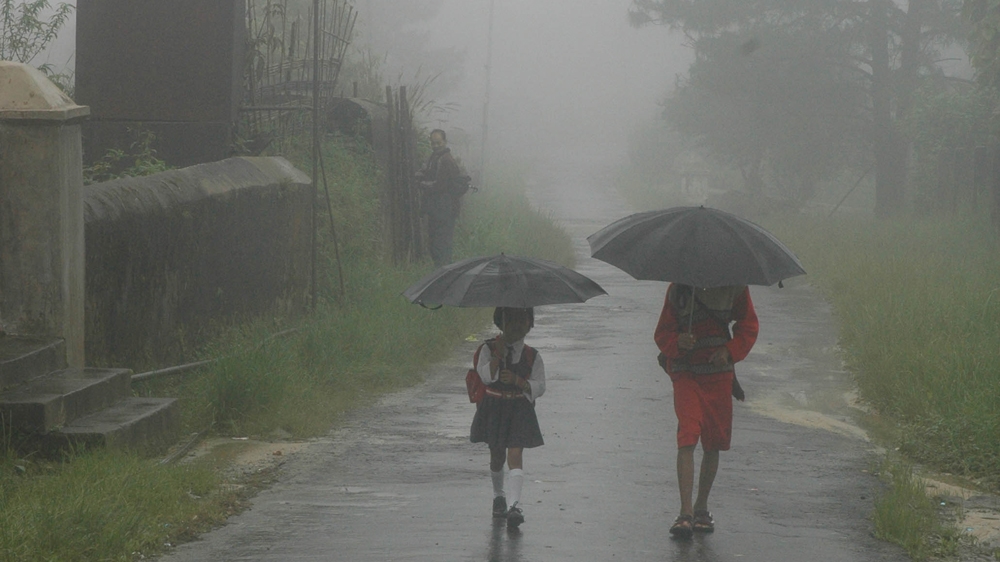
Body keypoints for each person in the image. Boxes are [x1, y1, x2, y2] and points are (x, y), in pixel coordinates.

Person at [654, 284, 758, 539]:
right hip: (685, 371)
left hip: (718, 374)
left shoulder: (735, 286)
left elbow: (748, 326)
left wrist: (729, 351)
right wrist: (678, 341)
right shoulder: (679, 287)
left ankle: (701, 507)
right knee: (687, 436)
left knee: (713, 441)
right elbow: (663, 333)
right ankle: (685, 513)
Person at [470, 307, 546, 529]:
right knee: (497, 456)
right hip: (494, 407)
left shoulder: (533, 355)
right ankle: (498, 496)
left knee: (515, 453)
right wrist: (496, 357)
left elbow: (540, 385)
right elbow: (484, 376)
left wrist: (519, 381)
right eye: (511, 319)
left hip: (519, 408)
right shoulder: (488, 348)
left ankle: (514, 506)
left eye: (523, 320)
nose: (517, 325)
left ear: (530, 323)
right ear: (500, 322)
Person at [415, 129, 467, 267]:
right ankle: (441, 275)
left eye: (438, 142)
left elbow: (440, 185)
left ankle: (444, 276)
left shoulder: (446, 160)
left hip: (445, 210)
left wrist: (421, 184)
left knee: (441, 246)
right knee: (436, 244)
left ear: (444, 141)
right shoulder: (434, 157)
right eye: (433, 142)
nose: (435, 145)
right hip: (437, 209)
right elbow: (427, 172)